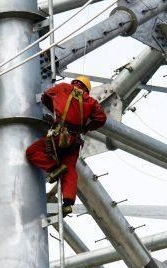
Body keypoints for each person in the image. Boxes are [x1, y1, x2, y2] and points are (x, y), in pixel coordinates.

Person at [25, 75, 107, 216]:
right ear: (87, 89)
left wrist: (56, 110)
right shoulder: (90, 101)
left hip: (59, 134)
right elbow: (101, 118)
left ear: (74, 82)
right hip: (75, 141)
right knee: (70, 168)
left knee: (32, 152)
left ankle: (54, 168)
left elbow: (45, 97)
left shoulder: (63, 87)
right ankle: (68, 202)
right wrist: (86, 128)